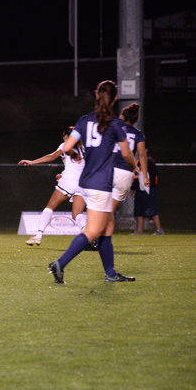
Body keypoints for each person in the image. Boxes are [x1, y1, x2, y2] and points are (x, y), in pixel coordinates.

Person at [48, 80, 138, 284]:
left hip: (86, 181)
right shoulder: (116, 124)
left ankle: (110, 273)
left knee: (107, 227)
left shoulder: (84, 120)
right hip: (101, 184)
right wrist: (135, 167)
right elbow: (126, 154)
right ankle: (60, 263)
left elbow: (67, 147)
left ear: (97, 95)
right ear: (115, 98)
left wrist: (79, 155)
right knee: (93, 230)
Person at [18, 126, 88, 246]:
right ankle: (88, 236)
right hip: (84, 183)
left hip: (69, 181)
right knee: (77, 214)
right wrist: (63, 174)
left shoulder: (65, 145)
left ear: (67, 136)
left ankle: (38, 236)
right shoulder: (85, 148)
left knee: (50, 207)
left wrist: (32, 162)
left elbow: (51, 156)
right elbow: (80, 167)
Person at [112, 103, 150, 215]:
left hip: (107, 170)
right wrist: (145, 176)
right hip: (124, 173)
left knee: (99, 209)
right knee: (110, 212)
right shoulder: (138, 134)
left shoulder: (114, 129)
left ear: (123, 116)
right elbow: (142, 155)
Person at [133, 152, 165, 235]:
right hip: (140, 190)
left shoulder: (150, 162)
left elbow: (149, 176)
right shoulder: (138, 162)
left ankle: (159, 230)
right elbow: (137, 178)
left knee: (152, 209)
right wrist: (133, 188)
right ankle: (139, 231)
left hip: (149, 189)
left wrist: (139, 174)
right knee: (138, 210)